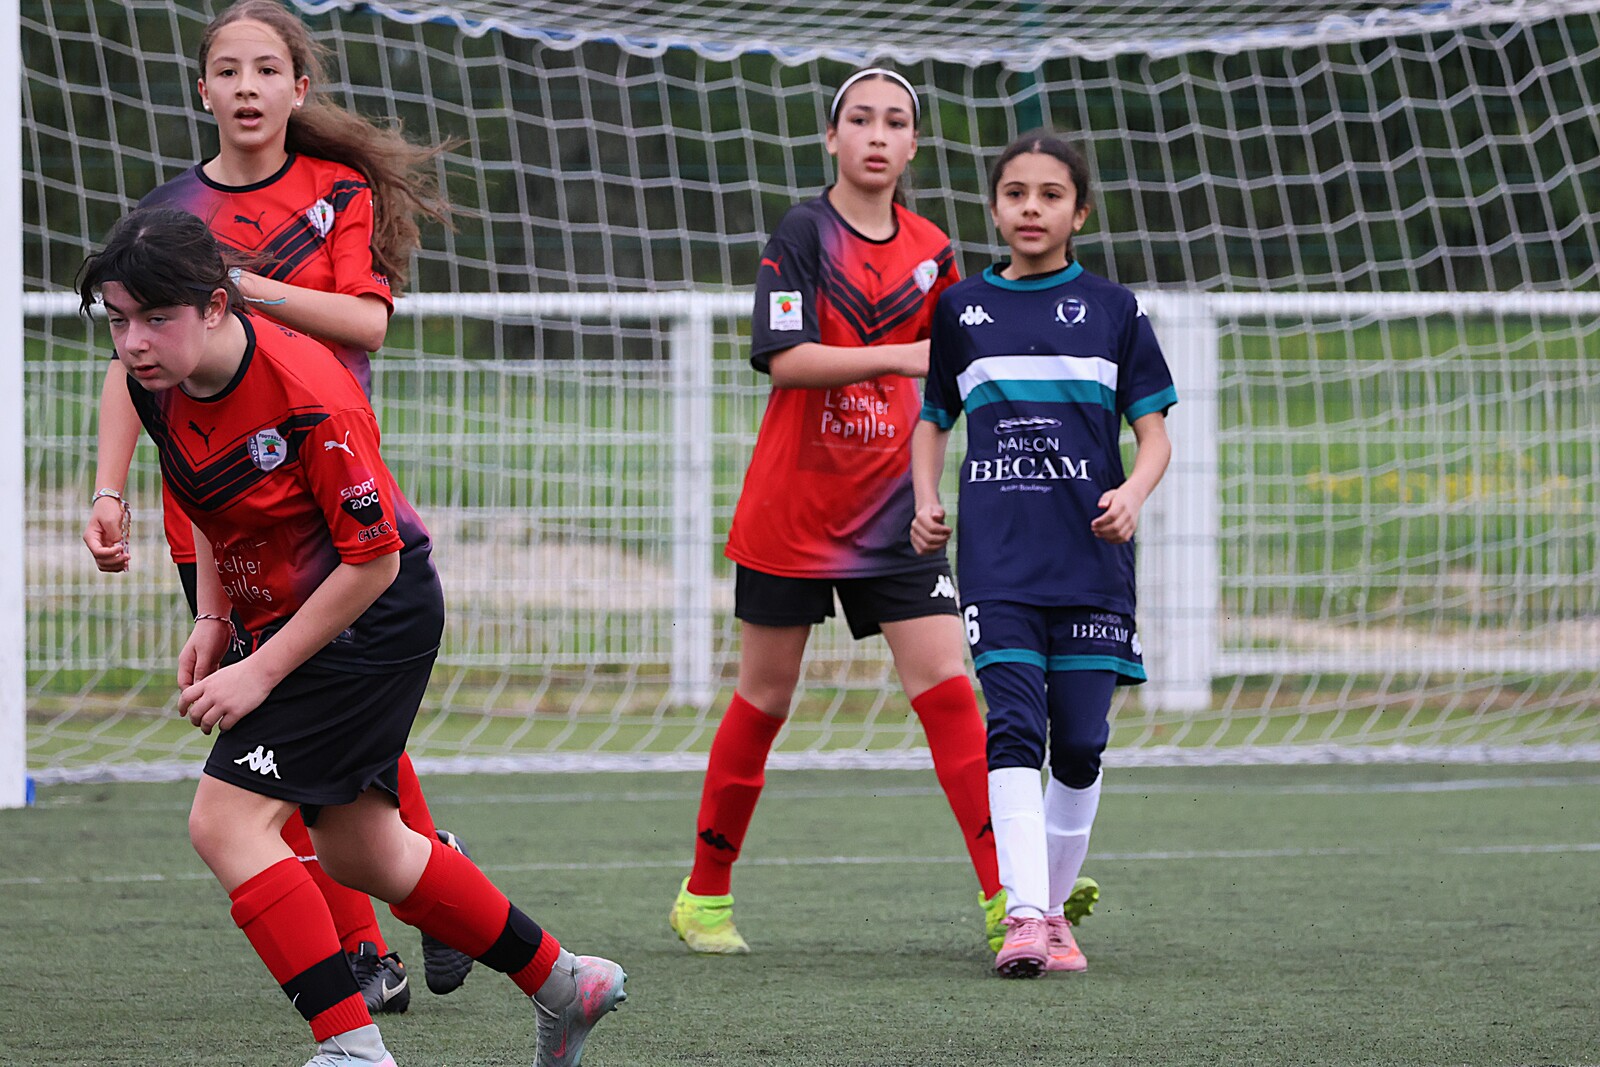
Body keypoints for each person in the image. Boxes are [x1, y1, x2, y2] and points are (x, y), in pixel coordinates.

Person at [76, 206, 626, 1067]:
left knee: (226, 822)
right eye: (118, 321)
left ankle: (351, 1048)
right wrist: (215, 616)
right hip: (300, 617)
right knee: (363, 851)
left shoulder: (311, 394)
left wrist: (259, 671)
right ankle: (566, 982)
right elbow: (206, 494)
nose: (134, 343)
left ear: (216, 306)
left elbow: (374, 562)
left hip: (373, 616)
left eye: (155, 318)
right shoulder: (164, 378)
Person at [79, 0, 471, 1008]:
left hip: (316, 504)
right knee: (285, 732)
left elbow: (366, 324)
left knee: (306, 724)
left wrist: (238, 287)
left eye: (265, 69)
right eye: (228, 70)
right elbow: (128, 363)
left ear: (298, 89)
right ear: (202, 90)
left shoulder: (335, 191)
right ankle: (378, 936)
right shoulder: (169, 210)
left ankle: (419, 888)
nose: (246, 87)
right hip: (212, 511)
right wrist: (109, 489)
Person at [671, 67, 1023, 956]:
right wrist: (903, 355)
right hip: (792, 508)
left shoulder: (935, 249)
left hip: (895, 510)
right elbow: (784, 356)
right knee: (765, 695)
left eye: (894, 121)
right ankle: (704, 895)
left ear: (913, 145)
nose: (876, 134)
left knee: (949, 689)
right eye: (859, 119)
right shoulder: (802, 232)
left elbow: (950, 381)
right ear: (832, 138)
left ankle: (1009, 898)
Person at [910, 131, 1175, 977]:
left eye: (1050, 194)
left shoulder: (1114, 309)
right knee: (1016, 726)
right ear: (995, 207)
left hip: (1092, 564)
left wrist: (1132, 494)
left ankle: (1052, 911)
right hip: (1000, 564)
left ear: (1079, 212)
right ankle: (1023, 914)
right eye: (1015, 193)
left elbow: (1155, 436)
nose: (1031, 207)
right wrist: (925, 497)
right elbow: (933, 418)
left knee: (1083, 742)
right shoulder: (961, 310)